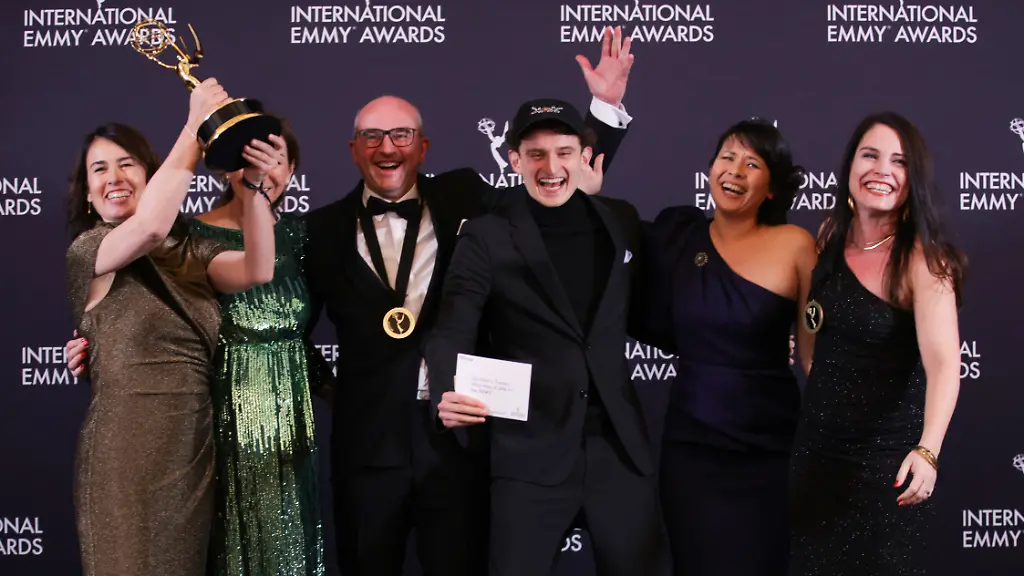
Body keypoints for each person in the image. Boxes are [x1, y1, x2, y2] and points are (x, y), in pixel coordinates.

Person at [302, 26, 635, 576]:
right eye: (374, 136)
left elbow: (552, 179)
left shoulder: (466, 196)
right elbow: (292, 329)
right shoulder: (321, 229)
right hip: (368, 446)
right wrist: (338, 390)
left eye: (403, 134)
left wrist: (604, 109)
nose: (389, 147)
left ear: (423, 146)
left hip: (460, 441)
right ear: (354, 148)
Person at [67, 120, 330, 576]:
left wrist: (252, 191)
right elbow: (148, 228)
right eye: (100, 169)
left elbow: (258, 268)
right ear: (88, 193)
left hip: (196, 445)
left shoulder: (186, 248)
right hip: (128, 447)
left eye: (127, 164)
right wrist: (196, 125)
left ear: (152, 177)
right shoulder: (88, 249)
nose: (114, 178)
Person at [424, 97, 670, 576]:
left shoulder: (620, 220)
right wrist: (446, 391)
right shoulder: (487, 235)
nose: (551, 167)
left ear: (583, 156)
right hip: (528, 451)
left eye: (563, 152)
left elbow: (653, 312)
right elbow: (453, 326)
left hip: (618, 450)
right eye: (536, 154)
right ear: (514, 160)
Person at [632, 118, 817, 575]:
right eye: (727, 157)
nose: (734, 171)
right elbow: (593, 224)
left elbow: (815, 357)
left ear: (771, 186)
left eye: (752, 163)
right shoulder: (678, 235)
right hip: (693, 447)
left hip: (769, 449)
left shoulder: (795, 245)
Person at [789, 111, 966, 575]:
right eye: (870, 155)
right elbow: (814, 330)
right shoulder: (829, 236)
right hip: (815, 461)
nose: (881, 170)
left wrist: (927, 452)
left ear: (914, 179)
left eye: (898, 161)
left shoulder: (923, 262)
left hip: (884, 473)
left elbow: (946, 365)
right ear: (850, 165)